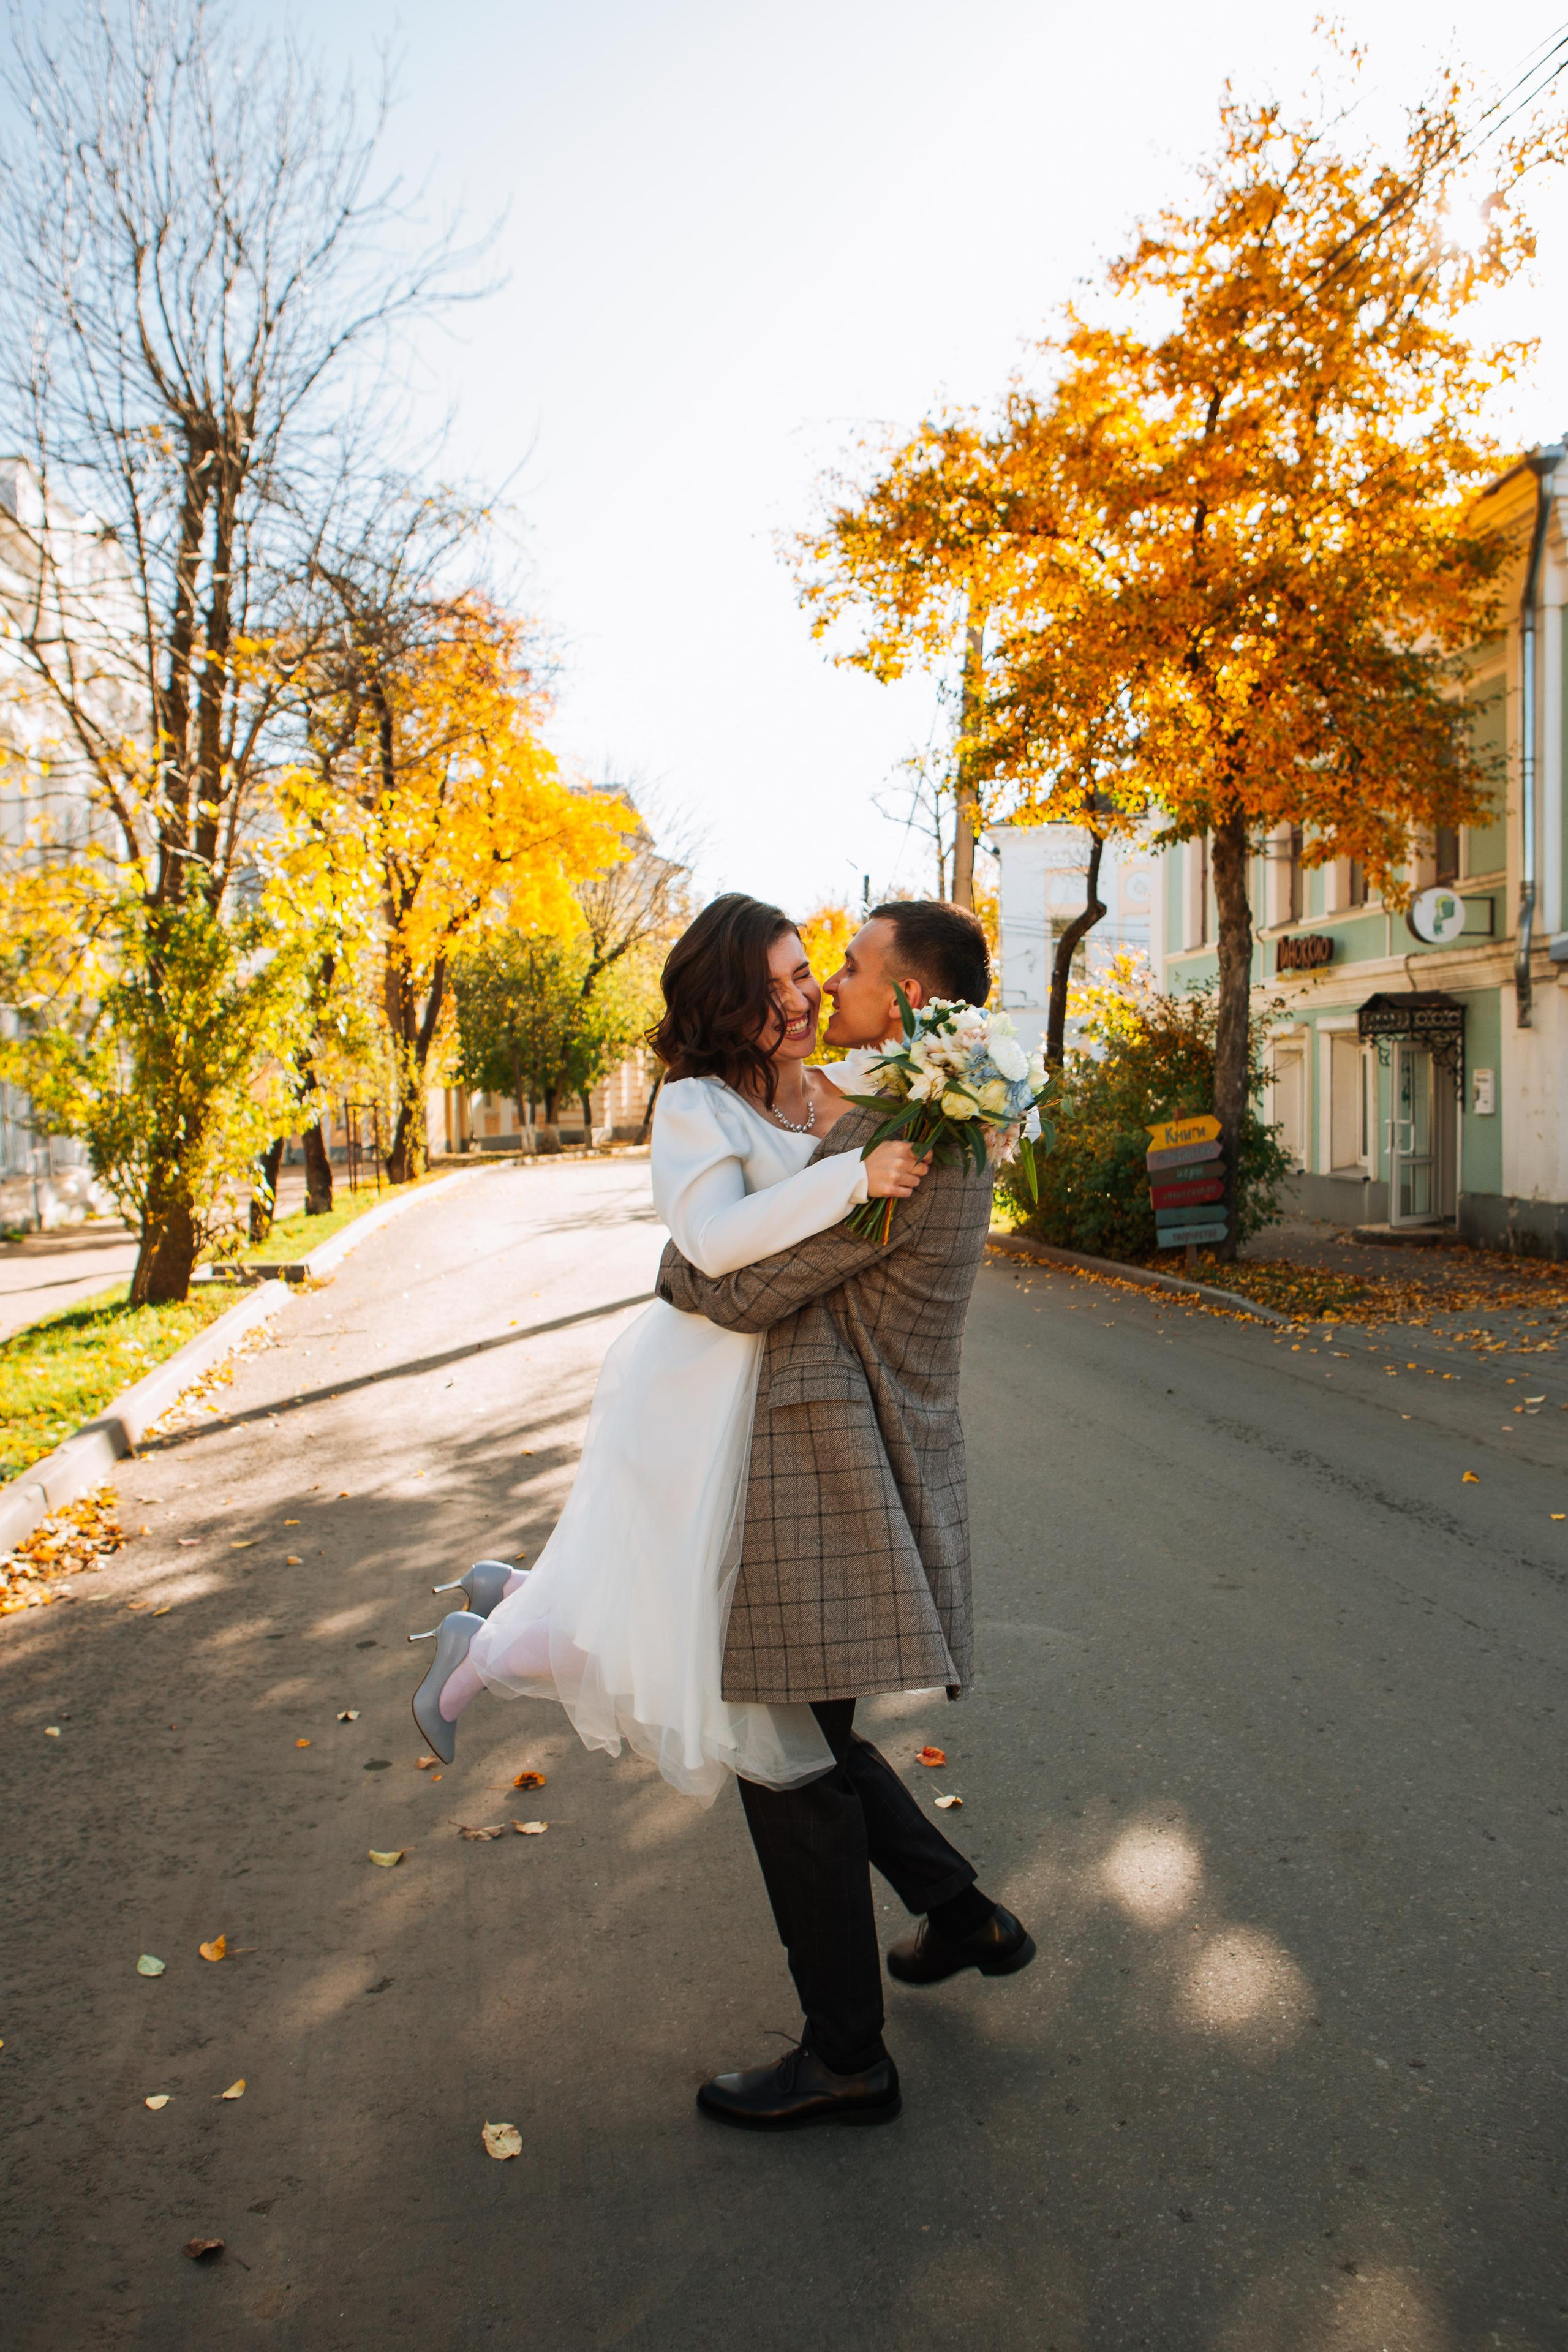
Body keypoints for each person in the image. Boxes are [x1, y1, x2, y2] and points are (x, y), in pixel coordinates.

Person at [407, 893, 930, 1802]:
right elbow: (714, 1241)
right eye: (770, 989)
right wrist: (851, 1181)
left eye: (804, 973)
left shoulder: (838, 1083)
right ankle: (475, 1656)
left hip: (786, 1395)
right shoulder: (696, 1105)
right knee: (663, 1616)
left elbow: (944, 1101)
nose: (801, 1000)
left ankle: (504, 1598)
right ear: (725, 1008)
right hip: (700, 1394)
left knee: (664, 1599)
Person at [653, 898, 1034, 2133]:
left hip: (831, 1469)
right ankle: (958, 1911)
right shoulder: (946, 1115)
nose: (829, 990)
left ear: (907, 1003)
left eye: (849, 968)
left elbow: (736, 1283)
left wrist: (674, 1268)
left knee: (783, 1761)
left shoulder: (909, 1140)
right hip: (847, 1457)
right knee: (805, 1733)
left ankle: (845, 2056)